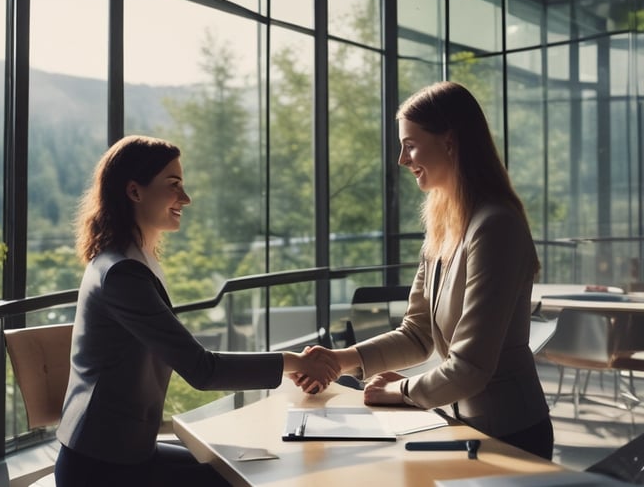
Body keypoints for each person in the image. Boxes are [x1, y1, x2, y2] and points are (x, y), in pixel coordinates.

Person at [55, 135, 339, 487]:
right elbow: (202, 370)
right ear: (134, 191)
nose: (185, 199)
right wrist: (297, 362)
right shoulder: (122, 273)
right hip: (104, 469)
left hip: (129, 453)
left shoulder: (128, 259)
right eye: (173, 186)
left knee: (247, 468)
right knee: (243, 477)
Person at [301, 81, 554, 460]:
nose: (402, 159)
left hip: (511, 435)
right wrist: (340, 360)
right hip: (466, 428)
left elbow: (470, 367)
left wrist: (400, 391)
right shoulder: (444, 224)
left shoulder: (496, 226)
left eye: (410, 144)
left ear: (449, 142)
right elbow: (417, 334)